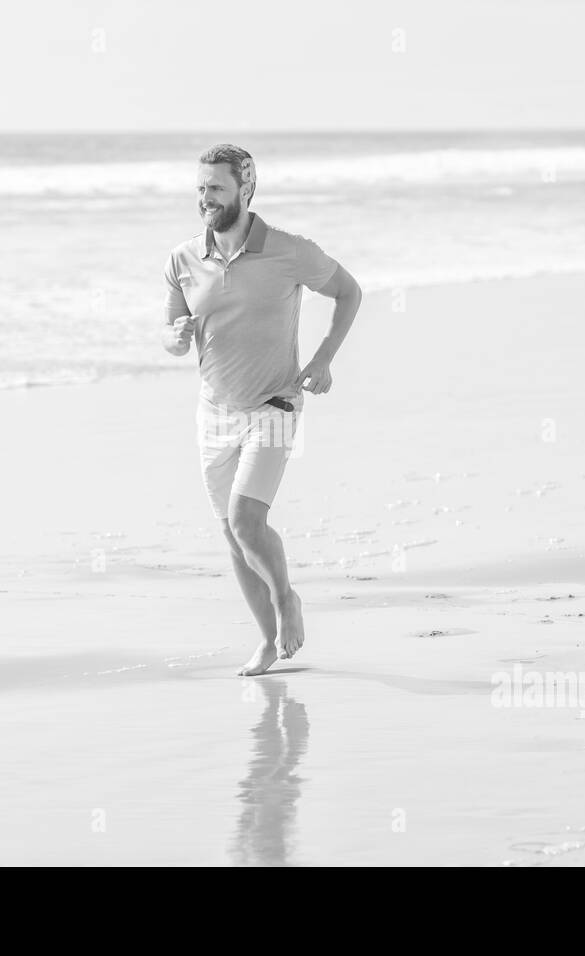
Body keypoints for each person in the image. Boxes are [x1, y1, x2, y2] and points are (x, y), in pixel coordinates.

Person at [161, 144, 363, 676]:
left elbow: (348, 291)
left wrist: (323, 358)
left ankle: (286, 600)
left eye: (217, 189)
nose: (205, 199)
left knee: (248, 522)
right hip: (214, 411)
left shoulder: (289, 252)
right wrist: (176, 338)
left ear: (246, 190)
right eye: (201, 188)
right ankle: (269, 642)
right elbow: (171, 336)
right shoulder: (182, 260)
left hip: (275, 402)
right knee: (233, 535)